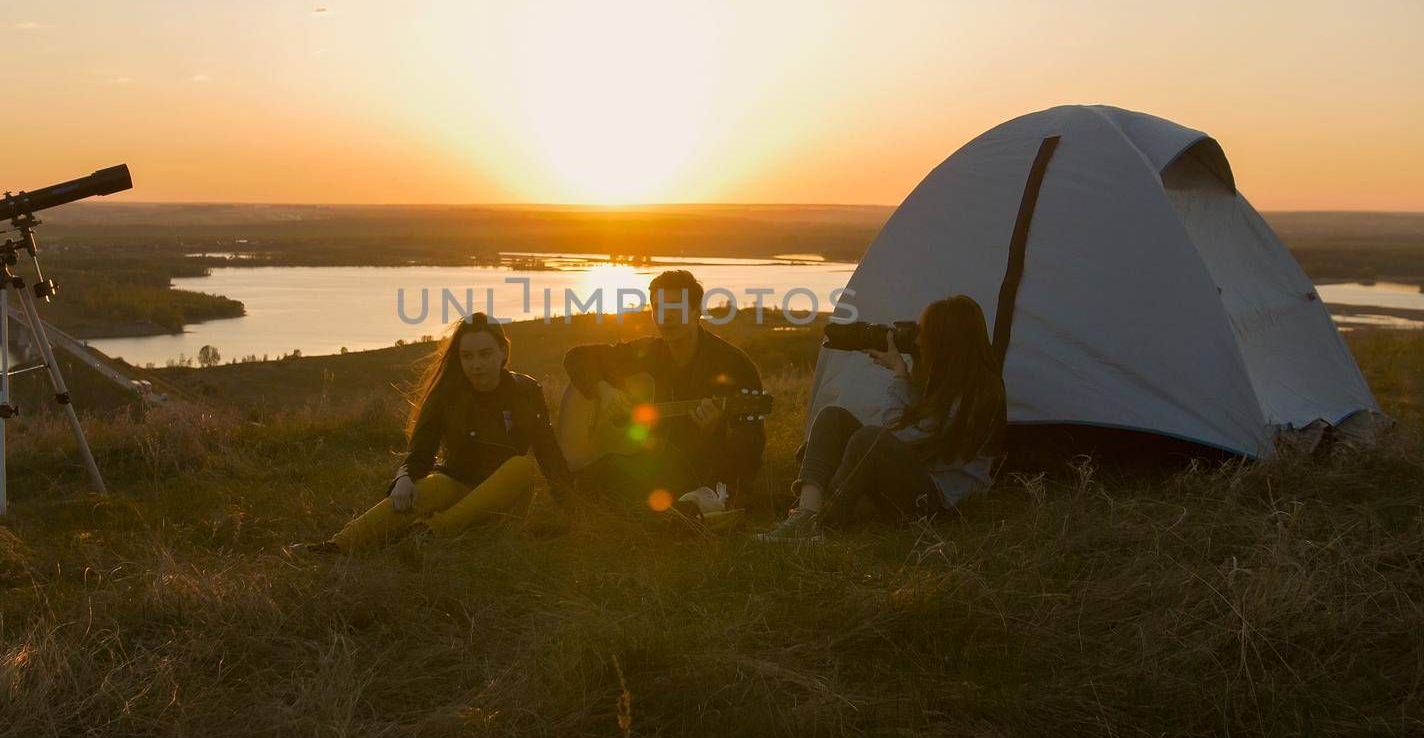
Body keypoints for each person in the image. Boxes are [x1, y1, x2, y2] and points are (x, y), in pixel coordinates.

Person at [292, 312, 571, 554]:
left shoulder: (526, 391)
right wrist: (404, 478)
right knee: (435, 485)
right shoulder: (448, 394)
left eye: (485, 354)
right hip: (457, 486)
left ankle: (431, 532)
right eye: (467, 356)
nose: (476, 364)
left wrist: (572, 503)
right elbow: (422, 449)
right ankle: (338, 546)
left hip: (503, 502)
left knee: (521, 466)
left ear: (503, 352)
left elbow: (547, 449)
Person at [757, 294, 1006, 543]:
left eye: (923, 332)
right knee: (833, 418)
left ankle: (825, 520)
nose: (917, 339)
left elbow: (898, 431)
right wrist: (910, 373)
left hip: (938, 503)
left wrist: (899, 375)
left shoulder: (974, 394)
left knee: (870, 440)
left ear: (944, 341)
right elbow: (916, 423)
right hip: (916, 478)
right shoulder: (947, 378)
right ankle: (805, 515)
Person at [562, 269, 765, 509]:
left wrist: (717, 430)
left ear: (696, 311)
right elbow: (577, 358)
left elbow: (752, 445)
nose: (664, 317)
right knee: (584, 482)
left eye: (674, 308)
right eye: (657, 308)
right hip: (650, 462)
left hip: (699, 469)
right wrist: (605, 392)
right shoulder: (647, 352)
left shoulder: (733, 364)